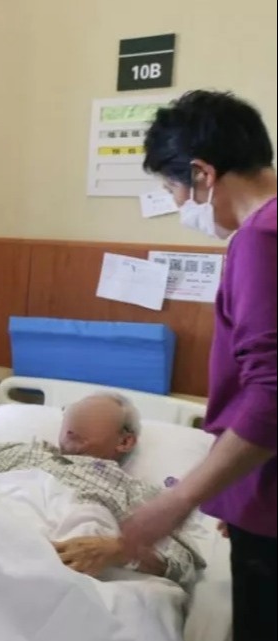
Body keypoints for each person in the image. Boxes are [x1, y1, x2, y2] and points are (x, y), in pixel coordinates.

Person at [120, 90, 277, 640]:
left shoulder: (261, 239)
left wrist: (180, 499)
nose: (178, 206)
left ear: (203, 174)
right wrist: (237, 493)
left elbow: (271, 394)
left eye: (174, 191)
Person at [0, 393, 203, 589]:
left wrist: (119, 550)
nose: (75, 421)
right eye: (73, 412)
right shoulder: (12, 452)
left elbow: (184, 563)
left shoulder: (131, 490)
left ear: (125, 441)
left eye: (92, 417)